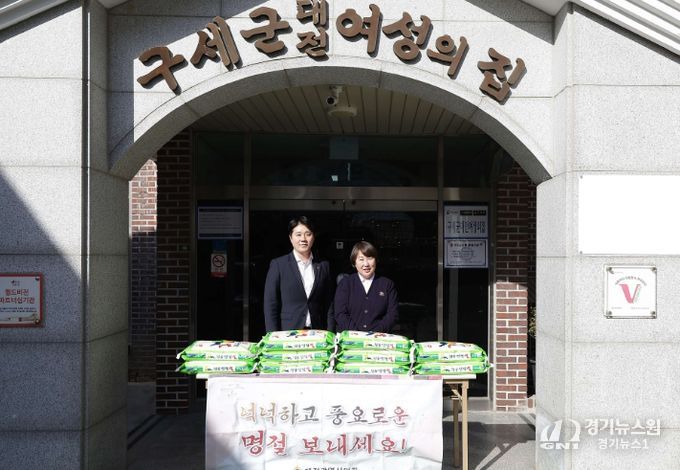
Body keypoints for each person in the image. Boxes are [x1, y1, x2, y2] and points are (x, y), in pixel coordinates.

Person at [263, 216, 334, 332]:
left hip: (317, 332)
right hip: (288, 332)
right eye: (298, 234)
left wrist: (330, 332)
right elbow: (270, 304)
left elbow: (329, 303)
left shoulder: (323, 265)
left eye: (308, 234)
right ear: (291, 238)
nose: (303, 239)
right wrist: (272, 335)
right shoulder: (278, 265)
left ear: (313, 237)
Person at [334, 241, 398, 333]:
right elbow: (340, 313)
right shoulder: (345, 284)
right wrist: (357, 334)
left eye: (370, 258)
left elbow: (392, 314)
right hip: (351, 338)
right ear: (354, 262)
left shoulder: (387, 285)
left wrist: (375, 333)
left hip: (379, 337)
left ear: (376, 260)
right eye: (361, 259)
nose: (366, 264)